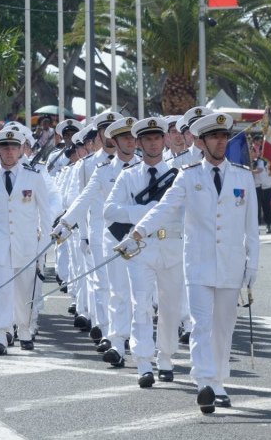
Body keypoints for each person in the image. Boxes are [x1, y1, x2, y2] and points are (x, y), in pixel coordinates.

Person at [125, 112, 259, 413]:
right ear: (200, 141)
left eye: (224, 137)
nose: (221, 142)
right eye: (214, 137)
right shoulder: (188, 175)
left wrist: (252, 265)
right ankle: (204, 383)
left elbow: (252, 227)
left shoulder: (242, 175)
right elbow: (165, 208)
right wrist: (138, 231)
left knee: (224, 327)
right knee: (201, 325)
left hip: (231, 265)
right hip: (198, 264)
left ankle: (220, 380)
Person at [54, 116, 141, 366]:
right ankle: (114, 341)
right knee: (112, 290)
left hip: (139, 238)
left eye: (131, 137)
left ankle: (137, 342)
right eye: (122, 137)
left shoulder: (146, 167)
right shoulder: (101, 171)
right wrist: (66, 224)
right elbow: (83, 199)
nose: (128, 141)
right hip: (106, 236)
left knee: (139, 294)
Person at [104, 117, 185, 387]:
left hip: (172, 246)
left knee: (170, 306)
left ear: (164, 140)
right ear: (138, 143)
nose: (152, 143)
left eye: (157, 138)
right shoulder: (128, 177)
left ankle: (165, 357)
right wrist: (145, 212)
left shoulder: (179, 174)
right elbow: (110, 210)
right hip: (141, 247)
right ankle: (143, 362)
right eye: (146, 139)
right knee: (141, 304)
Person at [0, 129, 51, 354]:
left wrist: (43, 244)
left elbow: (45, 213)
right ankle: (0, 336)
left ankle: (24, 330)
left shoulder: (33, 176)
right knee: (0, 291)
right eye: (4, 148)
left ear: (21, 149)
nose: (9, 152)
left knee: (25, 291)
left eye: (13, 147)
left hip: (27, 244)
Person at [252, 146, 271, 233]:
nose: (261, 153)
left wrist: (269, 165)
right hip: (257, 187)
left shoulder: (270, 162)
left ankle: (268, 225)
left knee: (267, 207)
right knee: (256, 208)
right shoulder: (255, 162)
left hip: (267, 187)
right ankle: (256, 226)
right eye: (260, 152)